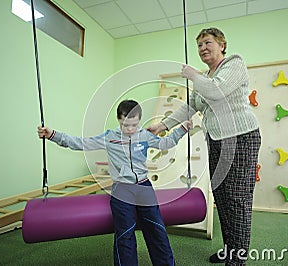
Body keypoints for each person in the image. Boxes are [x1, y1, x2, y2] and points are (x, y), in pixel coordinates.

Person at [147, 28, 261, 265]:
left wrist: (193, 75)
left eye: (207, 42)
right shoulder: (204, 78)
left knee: (237, 198)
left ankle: (238, 258)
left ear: (222, 44)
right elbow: (191, 106)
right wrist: (162, 126)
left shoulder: (233, 64)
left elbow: (217, 91)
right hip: (217, 140)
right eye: (199, 45)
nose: (202, 48)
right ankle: (230, 249)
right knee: (221, 195)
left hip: (241, 137)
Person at [38, 99, 192, 266]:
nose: (130, 129)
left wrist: (183, 129)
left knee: (157, 229)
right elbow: (79, 143)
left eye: (134, 125)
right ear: (119, 119)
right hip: (122, 189)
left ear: (139, 120)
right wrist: (53, 134)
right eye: (126, 125)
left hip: (144, 186)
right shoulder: (109, 137)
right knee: (125, 234)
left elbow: (166, 143)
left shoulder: (145, 135)